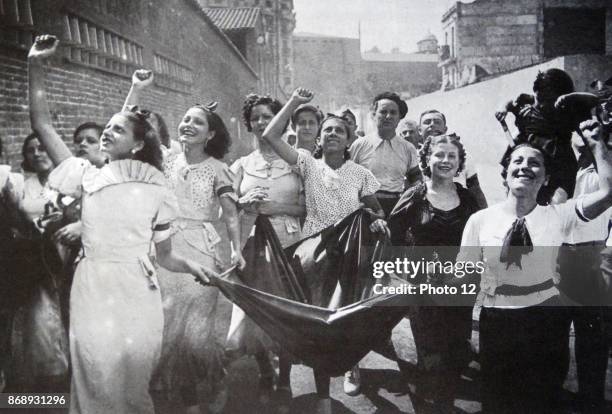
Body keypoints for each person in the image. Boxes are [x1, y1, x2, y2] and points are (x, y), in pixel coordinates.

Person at [28, 35, 215, 414]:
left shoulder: (157, 187)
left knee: (132, 381)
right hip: (92, 287)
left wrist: (191, 265)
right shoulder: (87, 174)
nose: (106, 132)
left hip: (137, 289)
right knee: (97, 376)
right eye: (106, 128)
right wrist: (35, 65)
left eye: (116, 129)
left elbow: (165, 256)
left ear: (135, 145)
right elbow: (42, 124)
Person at [458, 118, 612, 413]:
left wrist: (597, 144)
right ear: (505, 175)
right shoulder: (480, 220)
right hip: (497, 322)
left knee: (542, 401)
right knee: (497, 403)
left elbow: (607, 193)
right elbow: (462, 275)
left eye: (535, 163)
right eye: (517, 160)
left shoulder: (559, 215)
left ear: (545, 178)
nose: (525, 166)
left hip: (545, 323)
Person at [122, 69, 245, 413]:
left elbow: (231, 214)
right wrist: (136, 88)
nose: (188, 125)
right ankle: (168, 391)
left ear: (211, 135)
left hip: (200, 249)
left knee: (195, 328)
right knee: (163, 322)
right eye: (186, 120)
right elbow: (127, 125)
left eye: (198, 123)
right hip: (163, 248)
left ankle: (206, 384)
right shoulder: (166, 158)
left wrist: (236, 248)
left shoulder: (220, 168)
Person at [263, 87, 389, 414]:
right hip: (309, 255)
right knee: (305, 321)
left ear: (350, 140)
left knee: (337, 322)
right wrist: (293, 101)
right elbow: (271, 134)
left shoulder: (361, 174)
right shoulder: (307, 163)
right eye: (327, 129)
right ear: (319, 137)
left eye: (340, 130)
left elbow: (376, 211)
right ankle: (303, 390)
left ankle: (337, 382)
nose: (333, 133)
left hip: (346, 258)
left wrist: (376, 222)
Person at [388, 134, 480, 412]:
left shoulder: (467, 198)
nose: (445, 161)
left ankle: (445, 402)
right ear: (427, 159)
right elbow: (393, 237)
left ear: (460, 162)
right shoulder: (415, 195)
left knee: (456, 350)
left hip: (460, 287)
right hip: (424, 288)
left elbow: (479, 239)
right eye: (439, 155)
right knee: (430, 353)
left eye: (452, 156)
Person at [228, 93, 305, 410]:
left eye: (267, 116)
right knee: (256, 312)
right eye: (256, 117)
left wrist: (274, 206)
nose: (261, 122)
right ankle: (264, 370)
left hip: (289, 243)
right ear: (248, 124)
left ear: (282, 122)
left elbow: (307, 206)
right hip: (254, 245)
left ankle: (285, 377)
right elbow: (225, 210)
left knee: (286, 312)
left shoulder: (296, 160)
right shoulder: (241, 165)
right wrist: (243, 205)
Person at [556, 133, 610, 413]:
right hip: (555, 256)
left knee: (592, 340)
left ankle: (592, 401)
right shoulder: (558, 164)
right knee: (553, 336)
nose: (580, 136)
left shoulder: (603, 168)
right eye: (574, 131)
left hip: (590, 256)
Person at [495, 68, 579, 204]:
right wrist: (502, 108)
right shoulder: (527, 105)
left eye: (547, 102)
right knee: (518, 193)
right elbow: (510, 103)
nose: (539, 105)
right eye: (538, 99)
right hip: (528, 155)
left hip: (557, 159)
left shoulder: (566, 112)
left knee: (557, 202)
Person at [350, 92, 421, 219]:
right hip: (366, 208)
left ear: (399, 117)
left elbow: (415, 180)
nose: (388, 116)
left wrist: (408, 203)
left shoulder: (408, 148)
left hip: (398, 207)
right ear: (373, 115)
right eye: (383, 112)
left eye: (393, 113)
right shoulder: (359, 145)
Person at [418, 109, 488, 208]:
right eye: (427, 122)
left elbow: (476, 191)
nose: (432, 125)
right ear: (419, 130)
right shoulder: (412, 158)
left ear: (445, 129)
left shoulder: (461, 156)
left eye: (437, 122)